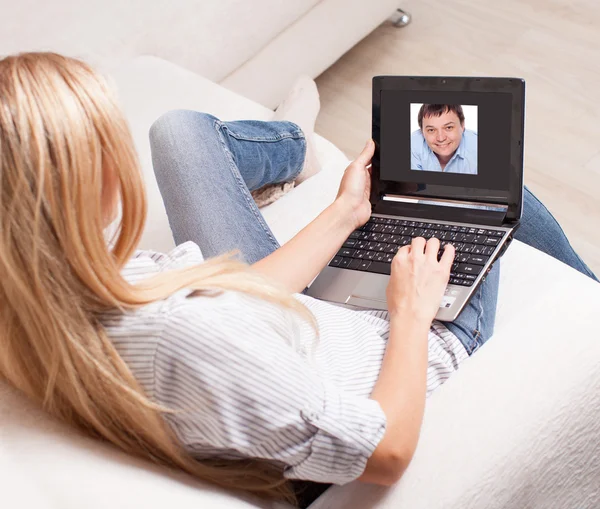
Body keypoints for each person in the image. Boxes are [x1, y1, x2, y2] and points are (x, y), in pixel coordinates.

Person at [0, 53, 597, 509]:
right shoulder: (183, 338)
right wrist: (412, 311)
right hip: (403, 344)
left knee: (179, 132)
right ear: (83, 181)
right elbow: (382, 451)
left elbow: (234, 302)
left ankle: (298, 143)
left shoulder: (42, 287)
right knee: (495, 191)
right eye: (109, 139)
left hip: (296, 327)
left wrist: (344, 214)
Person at [411, 104, 478, 174]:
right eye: (431, 130)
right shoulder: (413, 144)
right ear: (422, 131)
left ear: (462, 125)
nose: (441, 138)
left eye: (449, 127)